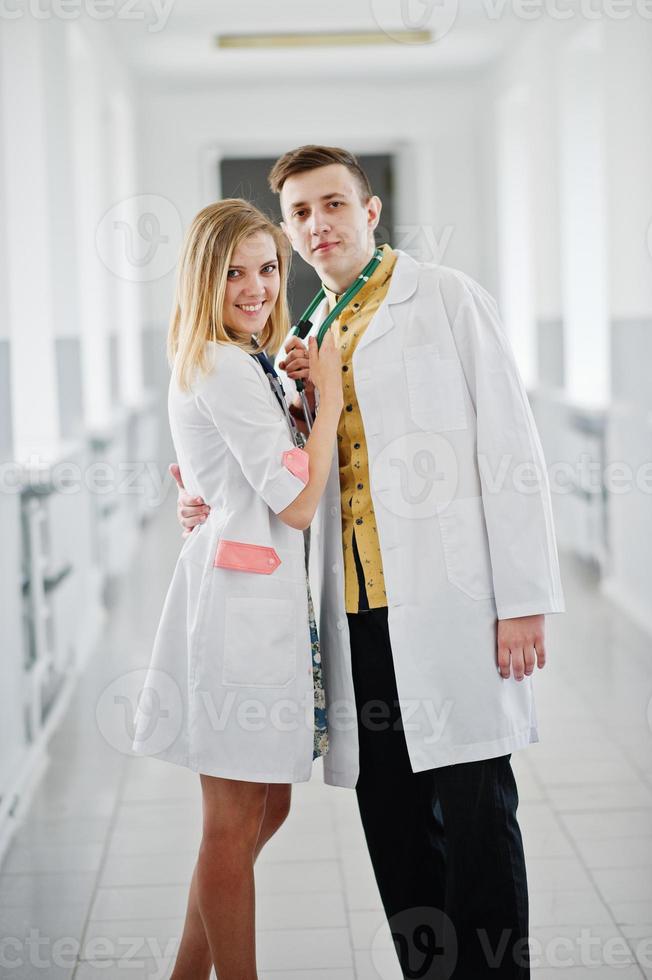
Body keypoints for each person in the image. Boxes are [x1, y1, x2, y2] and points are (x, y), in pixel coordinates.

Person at [175, 147, 566, 979]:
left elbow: (511, 450)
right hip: (353, 617)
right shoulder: (308, 330)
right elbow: (276, 469)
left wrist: (525, 598)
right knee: (390, 817)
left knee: (475, 808)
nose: (318, 226)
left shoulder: (448, 299)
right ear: (289, 230)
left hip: (452, 604)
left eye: (333, 206)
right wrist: (206, 504)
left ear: (370, 211)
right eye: (301, 214)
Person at [132, 198, 343, 980]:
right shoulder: (222, 362)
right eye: (234, 272)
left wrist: (300, 401)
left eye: (266, 268)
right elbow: (294, 499)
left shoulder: (238, 358)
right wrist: (332, 401)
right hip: (237, 611)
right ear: (202, 277)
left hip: (250, 599)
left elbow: (229, 476)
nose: (255, 286)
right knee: (231, 822)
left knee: (265, 805)